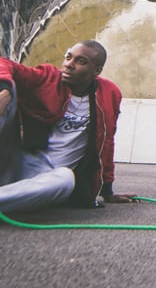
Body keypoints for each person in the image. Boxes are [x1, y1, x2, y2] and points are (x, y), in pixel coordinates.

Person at [0, 40, 137, 213]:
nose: (69, 64)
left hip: (48, 176)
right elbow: (4, 63)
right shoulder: (48, 78)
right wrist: (5, 87)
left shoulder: (109, 94)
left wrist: (107, 191)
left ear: (96, 71)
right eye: (68, 57)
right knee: (9, 87)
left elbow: (107, 141)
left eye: (81, 61)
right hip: (18, 161)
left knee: (66, 179)